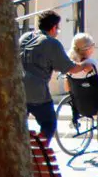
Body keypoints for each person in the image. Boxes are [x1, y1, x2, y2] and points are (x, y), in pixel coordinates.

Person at [20, 10, 92, 143]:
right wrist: (84, 65)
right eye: (58, 28)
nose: (58, 31)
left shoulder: (24, 37)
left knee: (18, 128)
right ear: (53, 28)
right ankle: (39, 151)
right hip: (37, 92)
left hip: (17, 89)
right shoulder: (51, 43)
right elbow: (70, 67)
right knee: (49, 124)